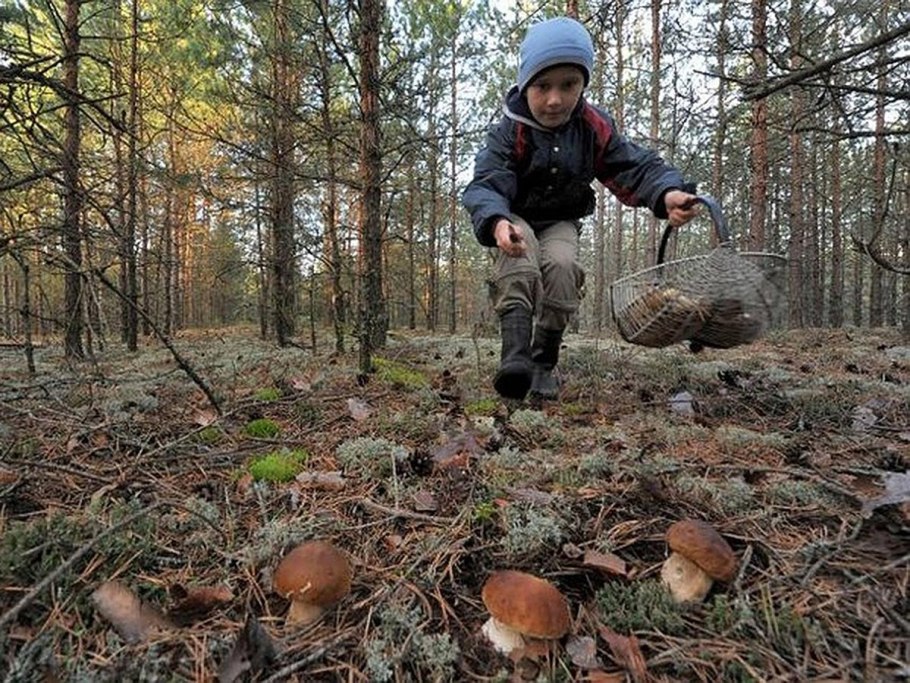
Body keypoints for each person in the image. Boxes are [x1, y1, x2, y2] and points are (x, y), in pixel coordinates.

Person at [462, 16, 700, 401]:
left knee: (562, 268)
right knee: (521, 263)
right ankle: (515, 360)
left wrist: (667, 193)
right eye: (543, 86)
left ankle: (543, 364)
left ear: (583, 85)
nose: (555, 99)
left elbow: (633, 166)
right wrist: (497, 222)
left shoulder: (592, 127)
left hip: (560, 219)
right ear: (525, 84)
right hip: (513, 214)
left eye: (568, 85)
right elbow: (488, 180)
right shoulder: (510, 128)